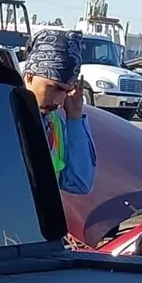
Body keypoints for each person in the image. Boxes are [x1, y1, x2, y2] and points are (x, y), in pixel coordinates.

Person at [23, 28, 96, 195]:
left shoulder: (54, 124)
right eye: (54, 88)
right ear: (29, 76)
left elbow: (79, 182)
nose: (59, 101)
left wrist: (75, 118)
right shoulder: (2, 117)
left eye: (66, 91)